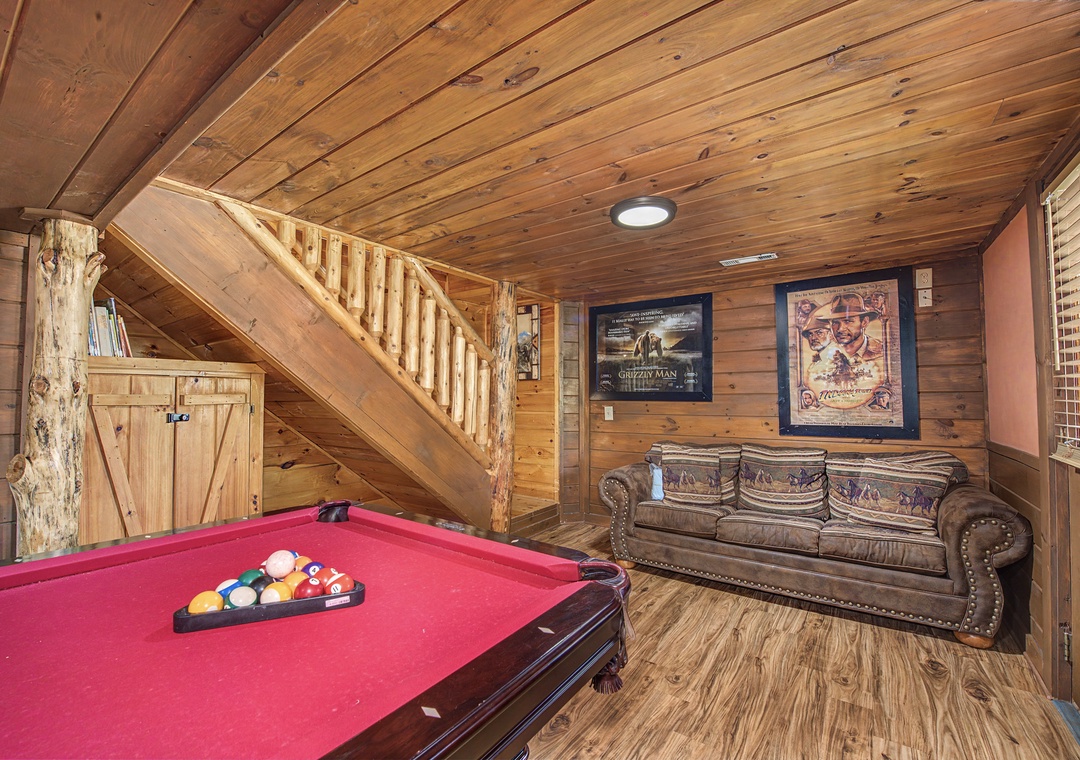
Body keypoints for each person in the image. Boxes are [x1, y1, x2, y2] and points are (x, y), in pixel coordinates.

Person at [817, 292, 883, 364]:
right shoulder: (824, 356)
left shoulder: (882, 353)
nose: (840, 329)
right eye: (835, 323)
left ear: (864, 322)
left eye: (848, 321)